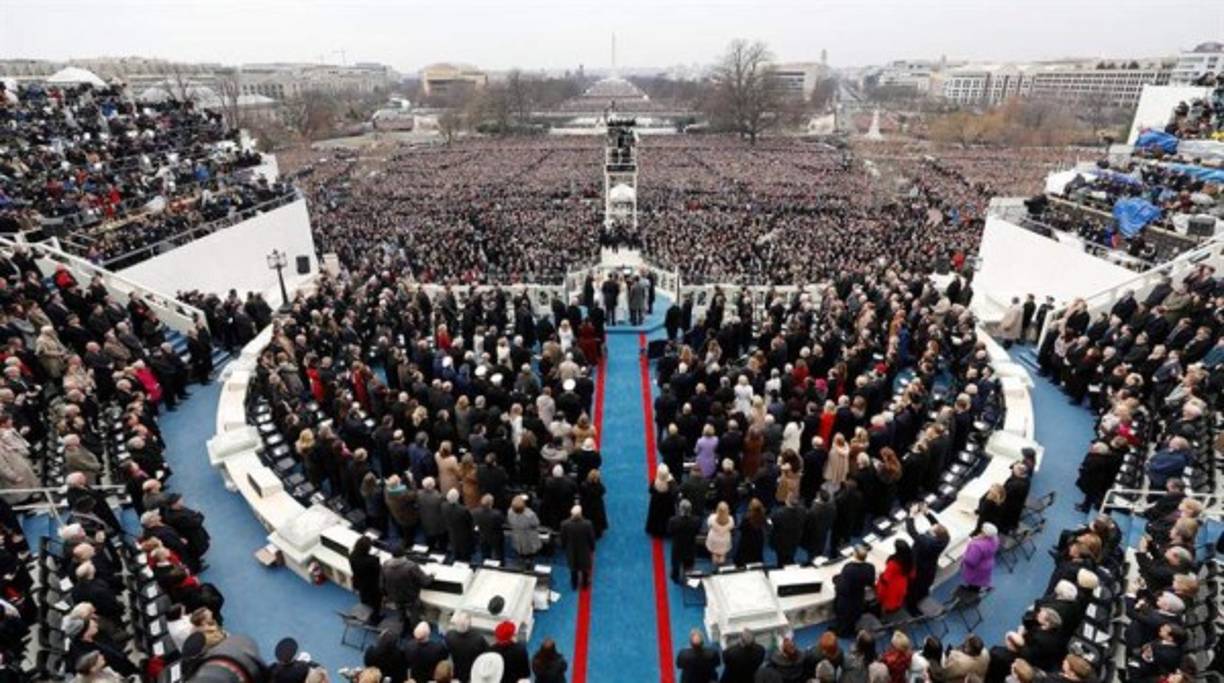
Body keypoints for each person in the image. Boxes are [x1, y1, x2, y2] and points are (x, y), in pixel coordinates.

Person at [833, 545, 876, 636]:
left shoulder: (849, 568)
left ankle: (842, 632)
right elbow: (870, 582)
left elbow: (843, 588)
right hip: (859, 597)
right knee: (855, 614)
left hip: (847, 599)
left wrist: (836, 581)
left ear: (855, 554)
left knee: (844, 616)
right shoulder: (870, 567)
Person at [560, 505, 596, 589]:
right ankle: (584, 584)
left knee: (573, 569)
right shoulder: (587, 524)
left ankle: (574, 584)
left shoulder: (564, 524)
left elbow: (563, 538)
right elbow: (591, 538)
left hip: (571, 550)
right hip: (584, 550)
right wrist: (592, 547)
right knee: (585, 569)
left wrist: (564, 547)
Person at [348, 536, 382, 622]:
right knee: (376, 603)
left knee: (364, 598)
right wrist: (375, 558)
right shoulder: (372, 560)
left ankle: (366, 609)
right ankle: (375, 618)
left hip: (359, 583)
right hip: (372, 586)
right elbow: (378, 571)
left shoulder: (352, 555)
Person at [667, 498, 701, 583]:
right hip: (690, 546)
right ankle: (688, 577)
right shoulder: (696, 520)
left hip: (677, 547)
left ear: (680, 509)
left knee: (676, 565)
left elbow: (670, 532)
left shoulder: (673, 521)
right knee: (689, 564)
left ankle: (675, 577)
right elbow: (697, 531)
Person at [959, 524, 999, 593]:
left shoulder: (977, 545)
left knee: (973, 585)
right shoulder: (995, 539)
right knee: (979, 582)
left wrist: (964, 555)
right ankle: (975, 592)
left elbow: (971, 561)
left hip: (977, 569)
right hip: (987, 565)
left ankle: (969, 596)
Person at [646, 464, 678, 537]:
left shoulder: (655, 482)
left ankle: (656, 531)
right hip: (667, 504)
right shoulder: (671, 483)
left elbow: (650, 490)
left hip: (656, 503)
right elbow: (675, 492)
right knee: (666, 517)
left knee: (656, 517)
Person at [705, 501, 735, 565]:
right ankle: (721, 565)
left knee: (714, 554)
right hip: (724, 541)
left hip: (714, 540)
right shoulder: (731, 519)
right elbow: (731, 528)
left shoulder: (712, 518)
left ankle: (715, 565)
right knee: (723, 555)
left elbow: (708, 525)